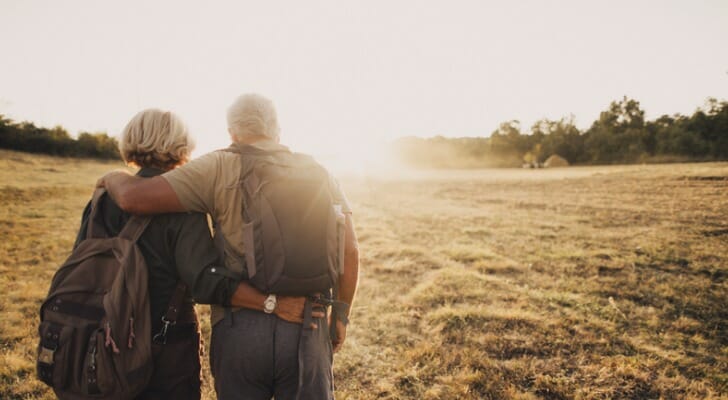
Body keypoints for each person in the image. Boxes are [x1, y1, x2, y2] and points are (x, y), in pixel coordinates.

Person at [97, 94, 360, 400]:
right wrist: (340, 314)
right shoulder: (321, 173)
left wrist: (112, 177)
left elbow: (135, 199)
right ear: (278, 130)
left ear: (232, 132)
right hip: (308, 322)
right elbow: (350, 250)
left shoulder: (217, 165)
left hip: (239, 328)